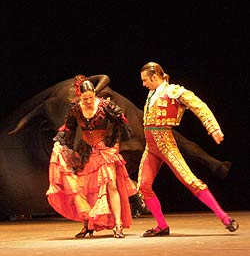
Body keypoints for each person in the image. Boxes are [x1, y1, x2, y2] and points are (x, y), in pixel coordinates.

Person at [137, 62, 239, 237]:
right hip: (151, 147)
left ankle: (225, 218)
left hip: (166, 144)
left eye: (145, 80)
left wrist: (213, 127)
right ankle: (162, 226)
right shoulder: (152, 93)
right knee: (144, 185)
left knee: (190, 181)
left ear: (154, 77)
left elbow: (199, 106)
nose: (143, 84)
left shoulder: (173, 91)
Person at [46, 76, 137, 238]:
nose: (88, 101)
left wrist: (115, 145)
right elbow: (69, 128)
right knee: (85, 188)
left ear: (94, 93)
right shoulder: (75, 109)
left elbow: (120, 123)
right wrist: (61, 143)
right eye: (84, 98)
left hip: (104, 150)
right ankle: (87, 225)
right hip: (86, 151)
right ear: (79, 96)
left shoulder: (105, 106)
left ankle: (118, 224)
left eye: (90, 97)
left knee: (112, 186)